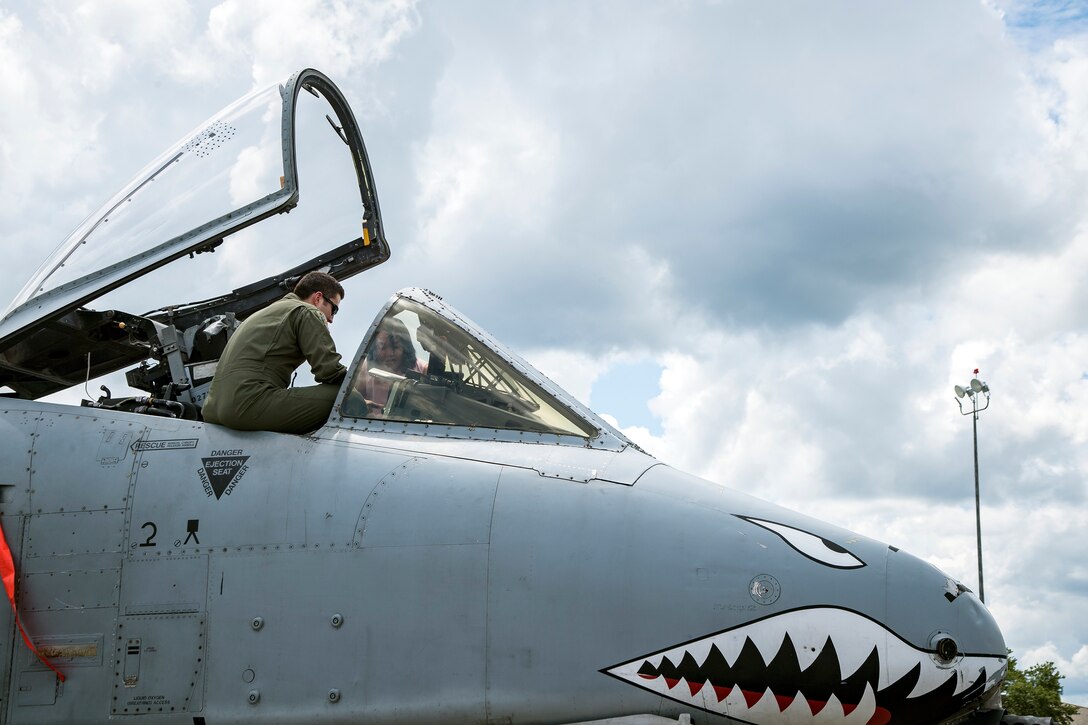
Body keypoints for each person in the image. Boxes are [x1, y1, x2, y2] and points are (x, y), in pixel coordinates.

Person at [202, 271, 346, 433]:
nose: (331, 319)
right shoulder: (306, 311)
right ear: (318, 298)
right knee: (344, 396)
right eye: (334, 309)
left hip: (212, 410)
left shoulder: (262, 314)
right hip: (247, 404)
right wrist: (361, 389)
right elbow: (329, 371)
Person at [355, 317, 427, 413]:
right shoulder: (366, 369)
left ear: (405, 347)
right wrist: (362, 404)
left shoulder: (423, 369)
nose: (389, 353)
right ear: (375, 347)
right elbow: (352, 399)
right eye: (383, 347)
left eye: (395, 346)